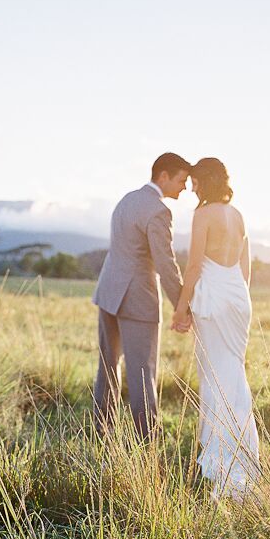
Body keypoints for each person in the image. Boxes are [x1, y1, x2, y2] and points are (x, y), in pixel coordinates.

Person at [172, 158, 260, 501]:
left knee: (214, 376)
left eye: (195, 181)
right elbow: (245, 267)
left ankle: (222, 461)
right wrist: (239, 299)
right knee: (233, 374)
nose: (191, 187)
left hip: (212, 299)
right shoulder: (238, 215)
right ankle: (243, 455)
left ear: (204, 182)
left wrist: (181, 308)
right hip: (238, 299)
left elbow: (194, 266)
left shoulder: (203, 215)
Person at [92, 152, 192, 439]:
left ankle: (101, 432)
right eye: (181, 180)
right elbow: (165, 263)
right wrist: (181, 306)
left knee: (108, 366)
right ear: (163, 176)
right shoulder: (159, 210)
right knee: (143, 372)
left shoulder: (126, 199)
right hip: (137, 298)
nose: (183, 188)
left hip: (108, 292)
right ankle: (146, 440)